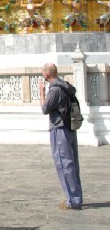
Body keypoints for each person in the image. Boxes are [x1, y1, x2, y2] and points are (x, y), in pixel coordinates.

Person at [40, 63, 83, 210]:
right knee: (72, 163)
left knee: (64, 163)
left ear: (47, 74)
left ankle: (72, 200)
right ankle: (76, 197)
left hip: (59, 129)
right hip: (69, 127)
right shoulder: (64, 86)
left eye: (43, 73)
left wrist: (41, 93)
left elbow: (45, 108)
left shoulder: (55, 90)